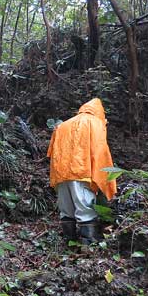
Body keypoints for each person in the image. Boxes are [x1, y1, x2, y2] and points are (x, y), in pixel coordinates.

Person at [47, 98, 117, 244]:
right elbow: (100, 152)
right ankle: (88, 241)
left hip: (61, 174)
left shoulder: (63, 125)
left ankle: (69, 240)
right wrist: (105, 179)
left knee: (66, 209)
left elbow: (51, 153)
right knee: (85, 208)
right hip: (81, 172)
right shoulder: (95, 123)